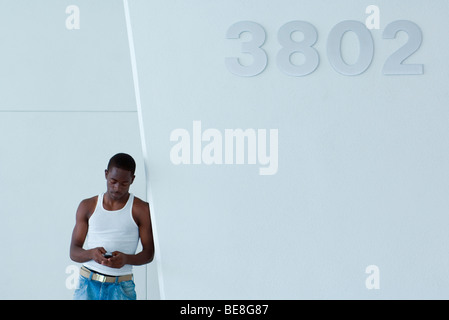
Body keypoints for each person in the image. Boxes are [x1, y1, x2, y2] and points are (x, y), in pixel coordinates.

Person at [69, 153, 154, 300]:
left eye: (124, 184)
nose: (117, 188)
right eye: (113, 181)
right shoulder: (87, 206)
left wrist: (126, 259)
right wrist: (91, 254)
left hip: (120, 287)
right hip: (88, 284)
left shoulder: (141, 209)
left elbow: (149, 254)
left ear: (132, 180)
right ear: (106, 174)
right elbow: (74, 251)